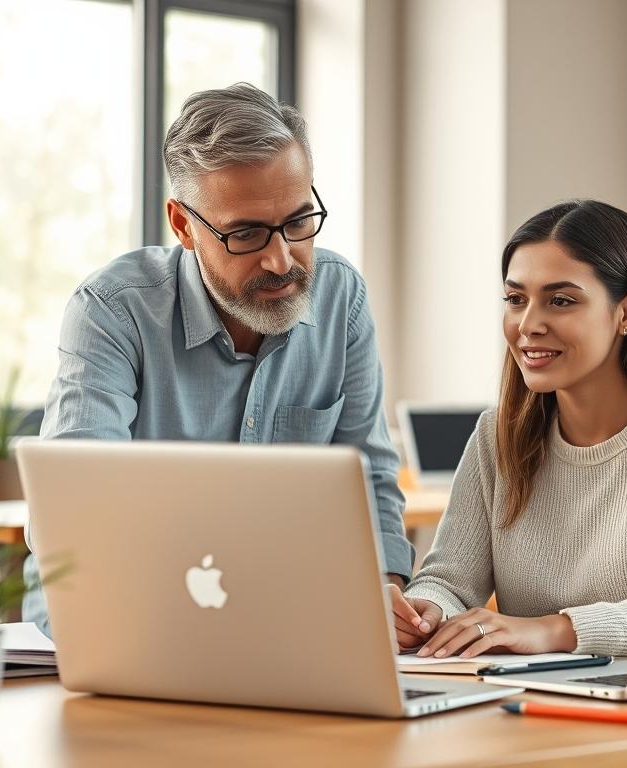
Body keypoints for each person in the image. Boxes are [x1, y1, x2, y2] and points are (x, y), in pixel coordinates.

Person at [23, 83, 413, 634]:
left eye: (299, 222)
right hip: (125, 622)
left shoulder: (340, 296)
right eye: (246, 234)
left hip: (288, 629)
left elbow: (368, 475)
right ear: (183, 225)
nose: (282, 260)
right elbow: (76, 513)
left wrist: (382, 592)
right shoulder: (112, 311)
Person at [387, 200, 627, 659]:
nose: (528, 325)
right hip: (528, 708)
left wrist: (553, 630)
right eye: (515, 300)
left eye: (560, 301)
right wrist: (425, 613)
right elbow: (450, 582)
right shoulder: (496, 434)